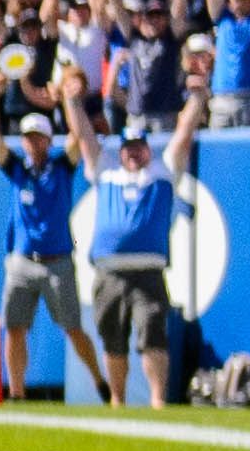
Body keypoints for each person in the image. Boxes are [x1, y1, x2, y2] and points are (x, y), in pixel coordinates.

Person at [67, 81, 208, 408]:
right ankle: (117, 400)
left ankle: (158, 400)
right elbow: (86, 140)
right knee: (113, 339)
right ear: (121, 150)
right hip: (109, 272)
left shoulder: (161, 172)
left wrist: (198, 98)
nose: (132, 152)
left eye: (138, 147)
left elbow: (184, 133)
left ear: (147, 148)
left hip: (148, 271)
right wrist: (72, 102)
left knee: (153, 335)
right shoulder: (107, 171)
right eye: (127, 147)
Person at [0, 80, 107, 402]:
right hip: (22, 261)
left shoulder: (61, 167)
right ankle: (17, 392)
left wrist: (65, 99)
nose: (32, 144)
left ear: (48, 141)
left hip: (57, 262)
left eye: (38, 138)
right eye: (28, 138)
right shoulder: (19, 170)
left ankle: (99, 381)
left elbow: (78, 139)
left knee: (73, 329)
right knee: (16, 328)